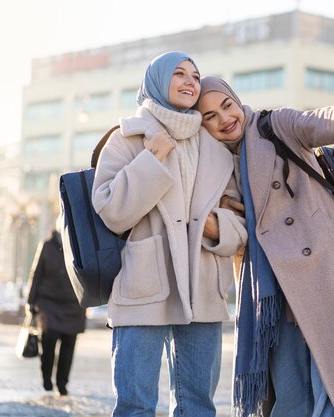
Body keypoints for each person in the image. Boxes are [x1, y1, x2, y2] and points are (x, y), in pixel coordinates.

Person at [195, 76, 334, 417]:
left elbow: (318, 122)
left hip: (325, 270)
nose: (223, 119)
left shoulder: (274, 125)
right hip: (272, 293)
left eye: (226, 106)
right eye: (209, 116)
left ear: (237, 101)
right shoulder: (216, 167)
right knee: (290, 392)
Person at [92, 52, 247, 417]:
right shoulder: (126, 138)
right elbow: (111, 211)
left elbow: (242, 225)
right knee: (135, 406)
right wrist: (151, 160)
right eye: (179, 74)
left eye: (195, 75)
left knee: (198, 405)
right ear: (157, 82)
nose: (190, 81)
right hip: (143, 285)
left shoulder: (217, 150)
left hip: (203, 286)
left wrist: (217, 227)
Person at [26, 219, 87, 396]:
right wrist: (30, 302)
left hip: (73, 305)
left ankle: (62, 383)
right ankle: (46, 378)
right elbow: (35, 275)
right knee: (48, 343)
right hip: (48, 304)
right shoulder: (46, 246)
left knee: (68, 346)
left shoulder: (80, 246)